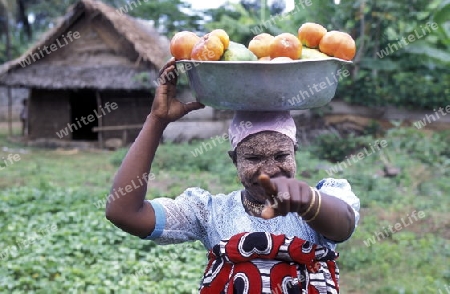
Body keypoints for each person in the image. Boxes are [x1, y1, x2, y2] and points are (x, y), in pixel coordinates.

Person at [105, 58, 360, 294]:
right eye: (253, 158)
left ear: (295, 153)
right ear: (234, 160)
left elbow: (343, 226)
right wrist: (156, 120)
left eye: (281, 156)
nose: (269, 170)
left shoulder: (323, 201)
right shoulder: (210, 212)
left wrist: (307, 200)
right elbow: (124, 212)